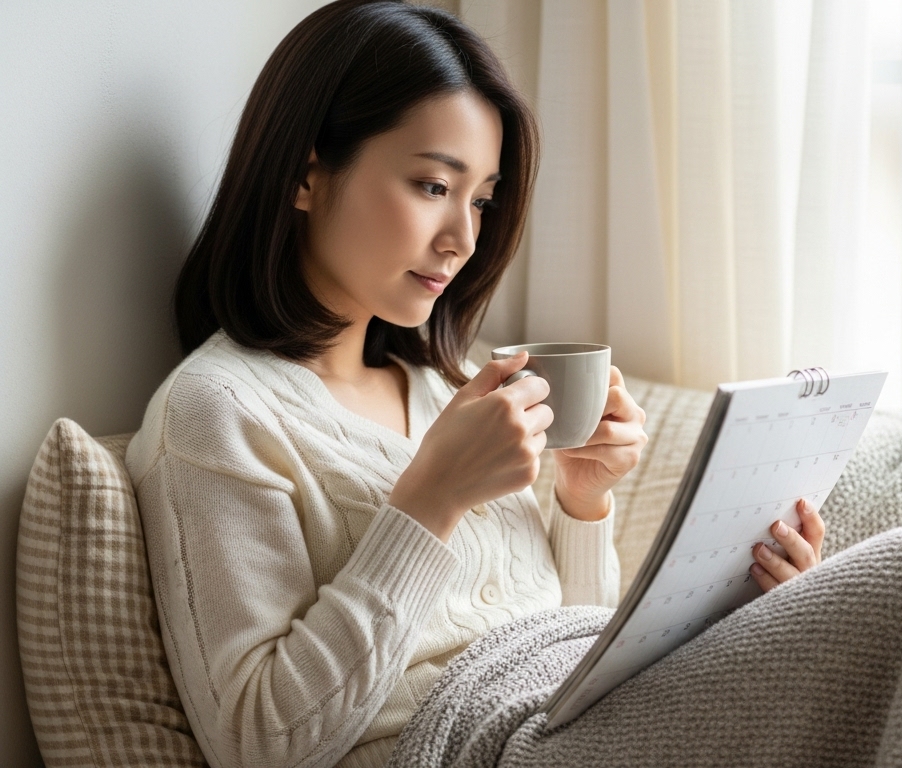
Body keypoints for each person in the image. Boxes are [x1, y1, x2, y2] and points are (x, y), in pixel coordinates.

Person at [125, 2, 826, 766]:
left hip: (574, 729)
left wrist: (581, 502)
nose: (463, 239)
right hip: (469, 747)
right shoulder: (217, 412)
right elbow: (260, 743)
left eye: (482, 200)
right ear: (305, 172)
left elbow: (574, 660)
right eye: (432, 185)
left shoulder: (444, 385)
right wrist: (430, 500)